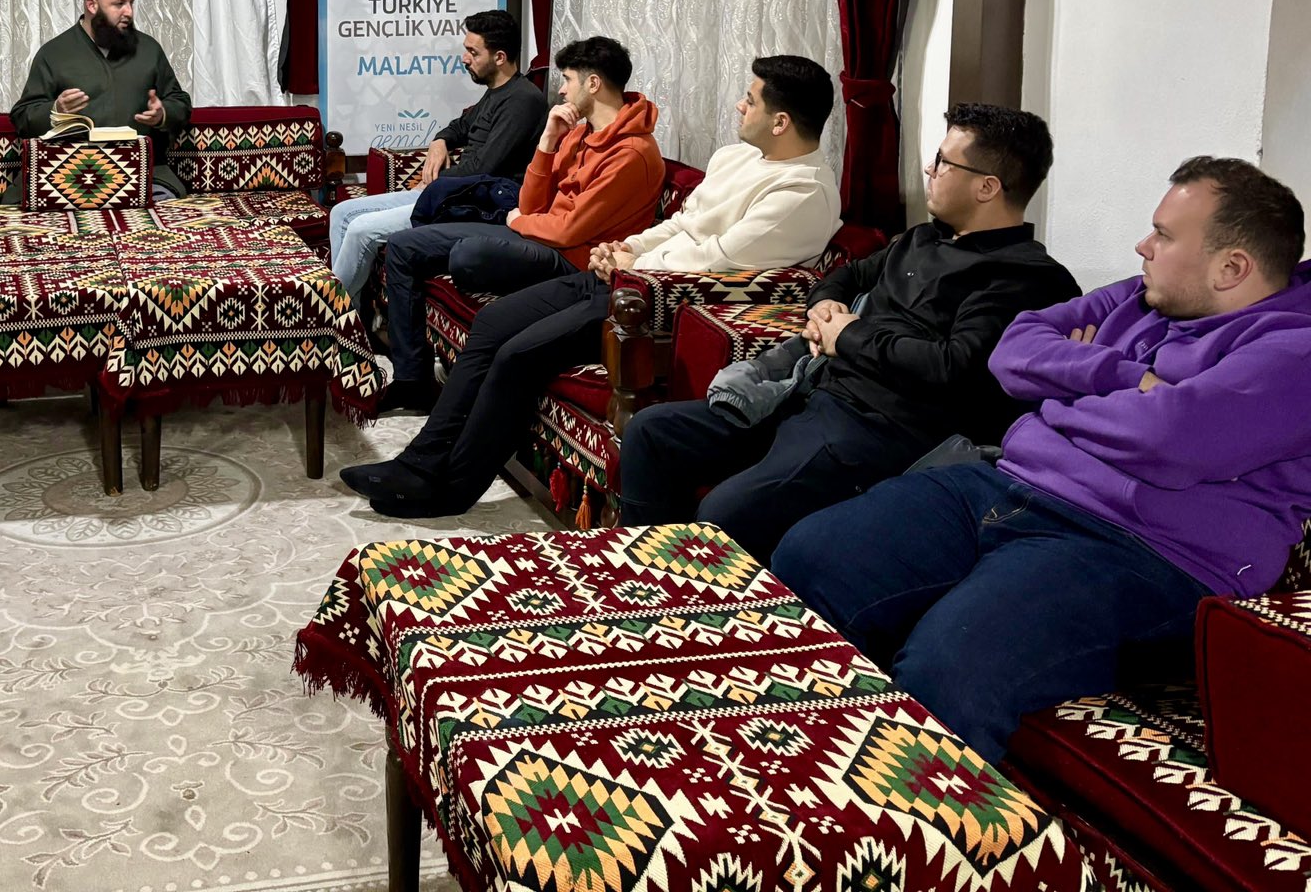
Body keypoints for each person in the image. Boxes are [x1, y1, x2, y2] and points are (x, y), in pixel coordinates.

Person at [774, 158, 1311, 763]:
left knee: (948, 667)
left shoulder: (1296, 350)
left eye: (1163, 235)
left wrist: (1061, 395)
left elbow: (1169, 439)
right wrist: (1127, 380)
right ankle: (796, 766)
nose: (1142, 246)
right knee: (809, 555)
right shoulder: (1142, 295)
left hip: (1143, 551)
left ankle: (905, 815)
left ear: (1231, 268)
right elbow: (1012, 351)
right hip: (1009, 485)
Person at [343, 56, 843, 518]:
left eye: (750, 100)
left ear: (781, 122)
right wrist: (626, 247)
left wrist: (632, 263)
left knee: (518, 354)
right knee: (494, 320)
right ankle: (420, 460)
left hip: (659, 305)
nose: (739, 105)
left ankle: (451, 488)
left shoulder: (804, 192)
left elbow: (719, 259)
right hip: (627, 277)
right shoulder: (736, 157)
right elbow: (681, 225)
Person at [615, 103, 1080, 560]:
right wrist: (824, 307)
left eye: (943, 162)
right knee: (651, 432)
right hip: (810, 391)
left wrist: (849, 336)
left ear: (987, 187)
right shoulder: (923, 238)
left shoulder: (1022, 278)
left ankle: (706, 596)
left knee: (722, 515)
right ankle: (646, 576)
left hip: (877, 431)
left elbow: (951, 365)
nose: (929, 169)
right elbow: (847, 276)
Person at [377, 35, 665, 415]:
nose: (561, 90)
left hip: (572, 259)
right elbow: (531, 204)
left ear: (593, 84)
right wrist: (547, 142)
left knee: (468, 255)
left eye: (568, 80)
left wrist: (520, 221)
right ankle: (412, 381)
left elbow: (569, 230)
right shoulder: (578, 132)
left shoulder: (632, 154)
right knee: (403, 245)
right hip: (538, 237)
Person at [327, 9, 548, 302]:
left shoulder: (523, 100)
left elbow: (483, 169)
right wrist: (440, 141)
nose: (465, 58)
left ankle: (332, 313)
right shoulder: (496, 91)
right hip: (450, 193)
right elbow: (460, 126)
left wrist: (433, 184)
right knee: (341, 213)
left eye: (473, 52)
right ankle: (351, 315)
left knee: (360, 230)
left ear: (499, 57)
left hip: (475, 204)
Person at [9, 0, 194, 200]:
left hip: (143, 173)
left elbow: (180, 102)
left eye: (131, 2)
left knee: (164, 206)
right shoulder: (54, 53)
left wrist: (162, 114)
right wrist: (56, 110)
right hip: (68, 174)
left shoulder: (149, 49)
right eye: (119, 4)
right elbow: (23, 116)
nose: (129, 12)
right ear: (92, 5)